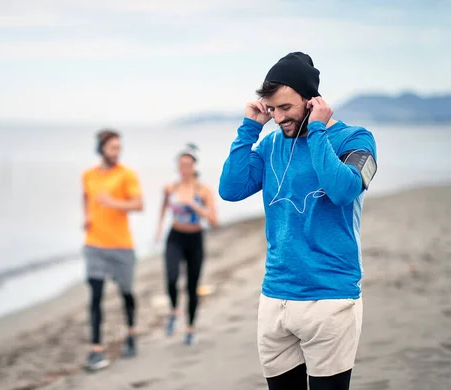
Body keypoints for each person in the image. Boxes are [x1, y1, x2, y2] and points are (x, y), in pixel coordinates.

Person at [218, 52, 378, 390]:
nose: (278, 118)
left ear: (312, 101)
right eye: (272, 109)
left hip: (330, 298)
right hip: (275, 297)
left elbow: (342, 190)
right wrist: (250, 128)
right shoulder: (272, 143)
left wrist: (317, 130)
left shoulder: (355, 140)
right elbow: (230, 190)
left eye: (286, 108)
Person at [81, 129, 144, 371]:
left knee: (126, 293)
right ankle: (96, 349)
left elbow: (139, 204)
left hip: (121, 247)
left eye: (119, 147)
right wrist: (87, 217)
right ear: (101, 149)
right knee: (95, 296)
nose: (116, 152)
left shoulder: (127, 175)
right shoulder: (88, 175)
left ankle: (131, 334)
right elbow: (85, 197)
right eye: (112, 148)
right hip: (94, 245)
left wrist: (113, 203)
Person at [155, 143, 218, 346]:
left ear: (194, 167)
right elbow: (163, 208)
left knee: (192, 286)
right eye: (181, 165)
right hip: (174, 237)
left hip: (195, 239)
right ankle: (174, 310)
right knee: (171, 277)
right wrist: (158, 229)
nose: (184, 170)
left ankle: (190, 328)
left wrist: (195, 207)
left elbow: (214, 221)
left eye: (188, 165)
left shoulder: (203, 190)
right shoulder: (170, 188)